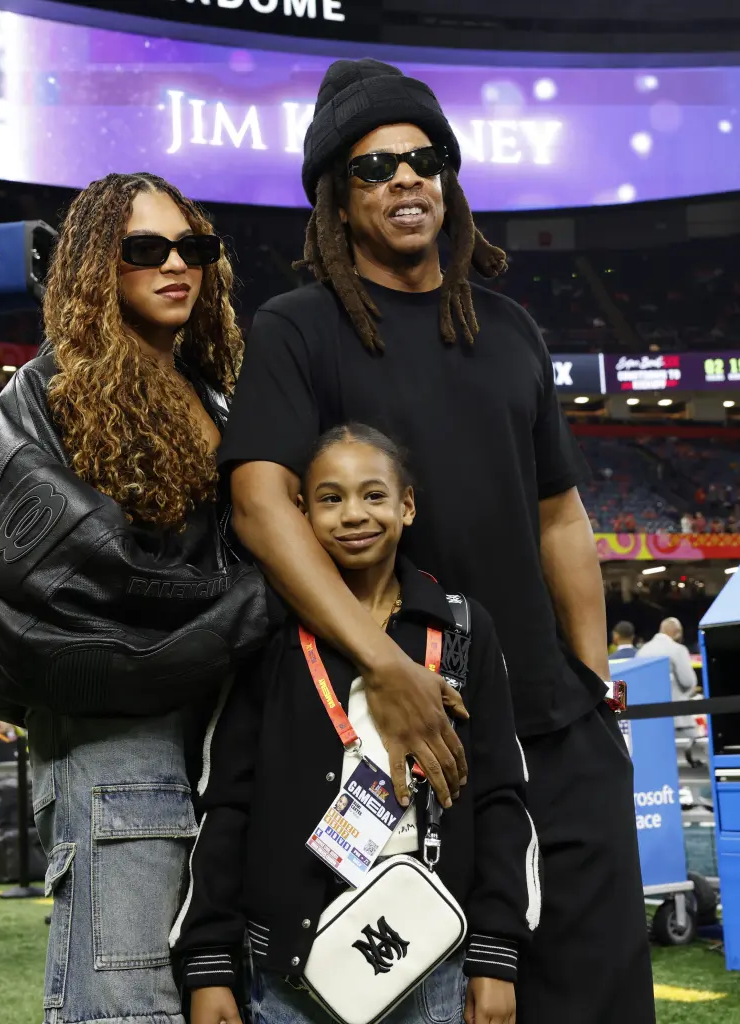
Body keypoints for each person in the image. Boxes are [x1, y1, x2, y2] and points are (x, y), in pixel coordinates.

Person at [217, 58, 654, 1024]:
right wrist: (386, 668)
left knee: (601, 1000)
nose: (405, 179)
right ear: (337, 200)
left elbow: (559, 515)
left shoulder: (510, 327)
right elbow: (259, 506)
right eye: (373, 168)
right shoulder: (297, 328)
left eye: (424, 159)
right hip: (407, 737)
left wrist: (589, 689)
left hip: (553, 731)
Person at [0, 172, 268, 1024]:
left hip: (219, 736)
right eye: (145, 249)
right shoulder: (47, 391)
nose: (176, 265)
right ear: (95, 265)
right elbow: (76, 575)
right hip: (113, 747)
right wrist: (262, 599)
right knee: (126, 1005)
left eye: (193, 248)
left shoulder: (215, 395)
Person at [176, 425, 537, 1024]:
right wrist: (209, 961)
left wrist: (496, 953)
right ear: (300, 512)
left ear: (407, 505)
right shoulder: (267, 633)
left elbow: (501, 798)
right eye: (330, 498)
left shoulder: (461, 630)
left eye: (373, 495)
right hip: (289, 970)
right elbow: (227, 801)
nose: (353, 514)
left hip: (430, 961)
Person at [637, 618, 699, 735]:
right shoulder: (677, 649)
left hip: (652, 719)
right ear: (678, 633)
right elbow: (688, 681)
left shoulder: (641, 652)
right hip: (678, 719)